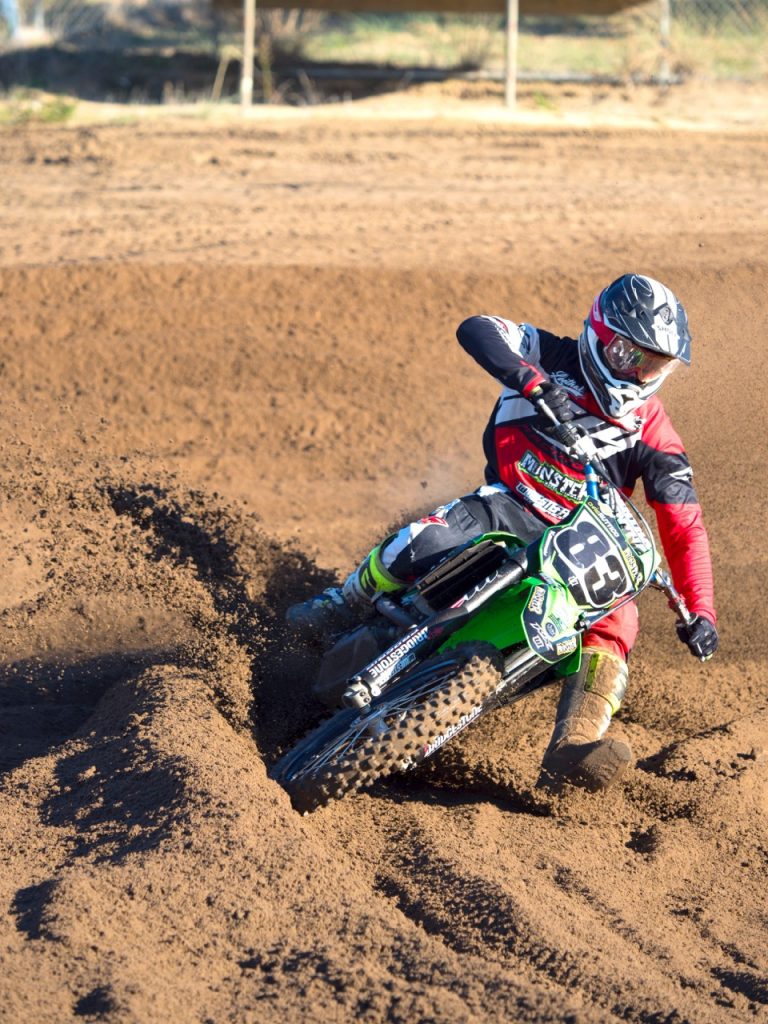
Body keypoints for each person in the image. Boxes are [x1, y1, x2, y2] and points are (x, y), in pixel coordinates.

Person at [286, 274, 718, 792]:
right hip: (511, 503)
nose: (642, 372)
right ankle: (346, 597)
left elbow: (684, 525)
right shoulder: (550, 354)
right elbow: (478, 328)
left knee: (619, 618)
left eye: (655, 364)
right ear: (601, 337)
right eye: (633, 356)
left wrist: (702, 609)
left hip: (581, 541)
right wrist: (534, 384)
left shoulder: (656, 435)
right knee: (434, 536)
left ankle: (573, 747)